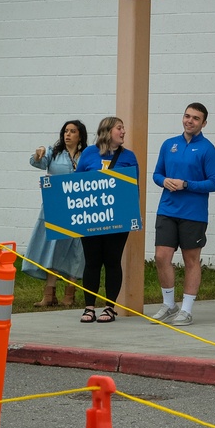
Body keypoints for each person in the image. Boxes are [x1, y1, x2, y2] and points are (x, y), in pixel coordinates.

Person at [149, 103, 215, 327]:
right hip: (167, 210)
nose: (190, 121)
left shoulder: (207, 149)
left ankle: (187, 309)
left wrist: (187, 184)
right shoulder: (169, 144)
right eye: (187, 116)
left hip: (193, 213)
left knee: (191, 260)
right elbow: (157, 174)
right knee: (161, 257)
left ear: (204, 123)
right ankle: (169, 305)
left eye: (196, 118)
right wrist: (164, 181)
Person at [74, 116, 139, 324]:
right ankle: (89, 307)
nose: (123, 132)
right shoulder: (89, 153)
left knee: (112, 261)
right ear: (107, 131)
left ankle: (109, 308)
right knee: (92, 261)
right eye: (119, 128)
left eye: (123, 128)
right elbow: (76, 184)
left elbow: (133, 189)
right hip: (91, 218)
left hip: (117, 219)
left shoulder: (129, 157)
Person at [23, 119, 88, 307]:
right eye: (65, 131)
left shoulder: (87, 155)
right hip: (57, 206)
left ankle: (70, 293)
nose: (68, 134)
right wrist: (38, 153)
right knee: (54, 247)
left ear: (80, 135)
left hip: (79, 207)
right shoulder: (54, 152)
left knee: (77, 249)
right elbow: (37, 162)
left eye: (72, 131)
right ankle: (49, 294)